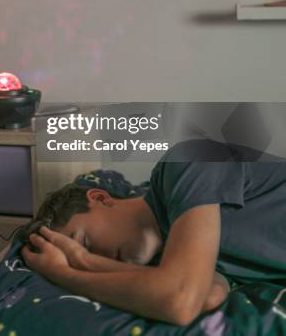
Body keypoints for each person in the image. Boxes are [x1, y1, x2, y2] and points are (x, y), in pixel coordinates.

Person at [22, 139, 286, 326]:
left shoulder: (184, 163)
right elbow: (204, 298)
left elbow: (179, 300)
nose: (102, 258)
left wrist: (68, 271)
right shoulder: (169, 261)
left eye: (84, 242)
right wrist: (86, 265)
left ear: (100, 198)